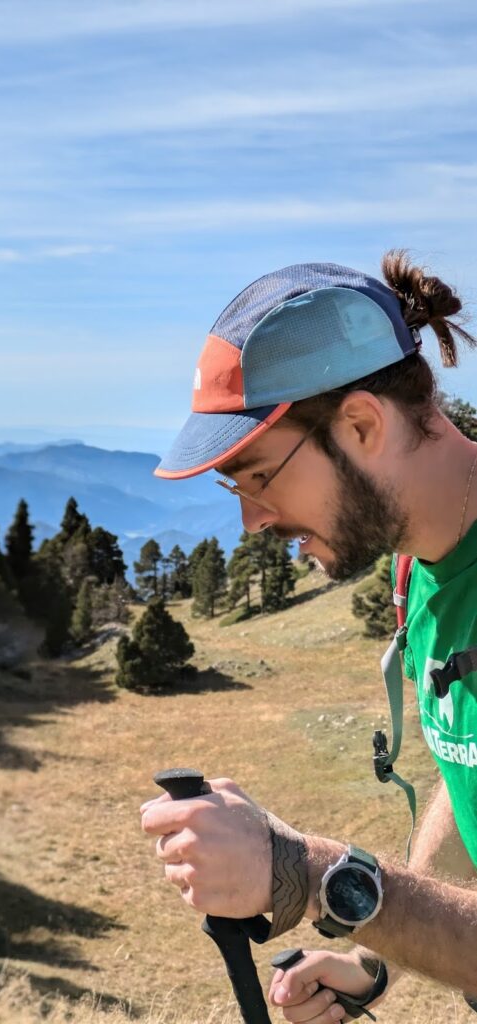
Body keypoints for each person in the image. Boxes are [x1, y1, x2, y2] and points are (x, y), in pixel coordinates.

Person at [140, 252, 477, 1017]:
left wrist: (315, 873)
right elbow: (468, 786)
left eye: (257, 476)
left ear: (360, 423)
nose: (251, 522)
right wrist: (371, 957)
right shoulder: (418, 570)